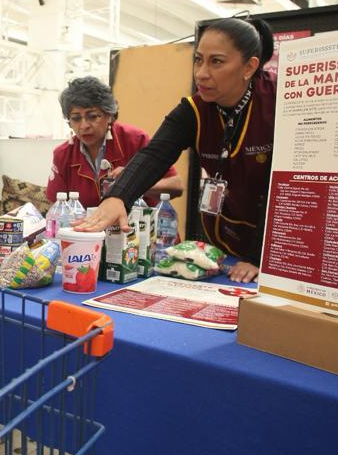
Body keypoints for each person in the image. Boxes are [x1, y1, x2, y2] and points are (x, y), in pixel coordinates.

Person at [77, 17, 275, 283]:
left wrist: (257, 256)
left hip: (272, 245)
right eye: (198, 59)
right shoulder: (195, 110)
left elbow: (288, 192)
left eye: (216, 61)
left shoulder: (279, 102)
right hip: (223, 239)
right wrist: (117, 197)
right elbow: (154, 155)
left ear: (249, 66)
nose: (201, 73)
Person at [47, 76, 183, 208]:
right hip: (88, 229)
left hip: (137, 228)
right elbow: (56, 207)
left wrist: (135, 182)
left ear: (109, 115)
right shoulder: (63, 154)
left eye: (93, 116)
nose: (84, 126)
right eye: (76, 118)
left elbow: (176, 186)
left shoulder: (135, 140)